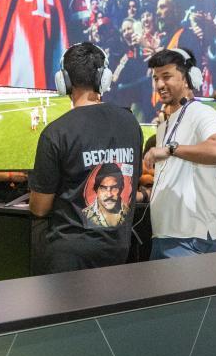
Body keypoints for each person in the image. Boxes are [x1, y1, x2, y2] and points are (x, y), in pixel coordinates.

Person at [28, 43, 142, 272]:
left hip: (68, 256)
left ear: (64, 81)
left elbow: (39, 207)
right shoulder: (130, 123)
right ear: (103, 79)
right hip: (118, 250)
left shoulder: (56, 132)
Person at [144, 48, 216, 258]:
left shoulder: (201, 112)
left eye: (167, 76)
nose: (159, 84)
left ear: (187, 78)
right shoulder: (165, 125)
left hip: (192, 238)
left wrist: (171, 149)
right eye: (156, 78)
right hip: (166, 235)